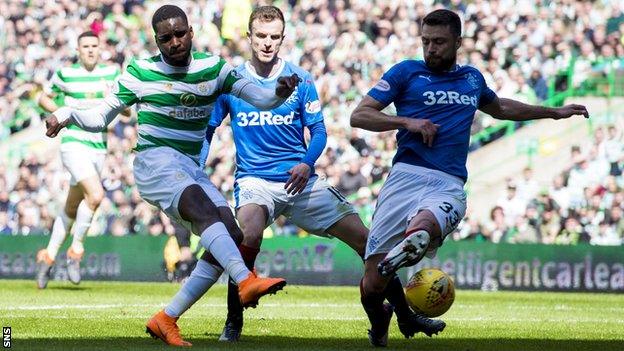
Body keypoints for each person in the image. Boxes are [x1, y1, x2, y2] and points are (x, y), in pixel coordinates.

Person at [44, 5, 300, 347]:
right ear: (157, 41)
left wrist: (280, 92)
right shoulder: (140, 71)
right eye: (166, 38)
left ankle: (167, 318)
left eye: (180, 34)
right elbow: (100, 117)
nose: (175, 42)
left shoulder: (215, 69)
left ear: (191, 32)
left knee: (231, 231)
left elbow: (262, 98)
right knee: (207, 215)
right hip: (154, 163)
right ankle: (245, 279)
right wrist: (66, 114)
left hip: (189, 167)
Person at [201, 6, 442, 345]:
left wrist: (306, 164)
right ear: (249, 37)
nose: (267, 43)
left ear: (283, 39)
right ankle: (233, 321)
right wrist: (197, 166)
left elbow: (318, 132)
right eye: (261, 36)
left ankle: (405, 316)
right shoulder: (233, 83)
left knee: (368, 241)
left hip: (301, 181)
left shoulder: (300, 80)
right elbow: (209, 128)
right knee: (249, 232)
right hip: (255, 180)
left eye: (274, 37)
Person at [350, 9, 589, 347]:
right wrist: (408, 123)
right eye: (426, 42)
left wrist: (552, 112)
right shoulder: (406, 72)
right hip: (404, 177)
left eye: (439, 42)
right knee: (371, 286)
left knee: (424, 225)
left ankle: (415, 242)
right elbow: (359, 115)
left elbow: (501, 108)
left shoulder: (472, 79)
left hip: (447, 181)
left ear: (458, 42)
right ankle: (382, 321)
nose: (431, 49)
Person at [35, 31, 126, 289]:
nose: (89, 50)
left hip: (98, 147)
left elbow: (127, 109)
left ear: (100, 48)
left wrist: (116, 99)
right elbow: (43, 96)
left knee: (72, 207)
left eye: (94, 46)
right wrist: (65, 115)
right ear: (78, 49)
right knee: (96, 196)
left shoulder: (111, 74)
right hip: (73, 145)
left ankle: (48, 256)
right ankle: (75, 253)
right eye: (85, 46)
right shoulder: (65, 73)